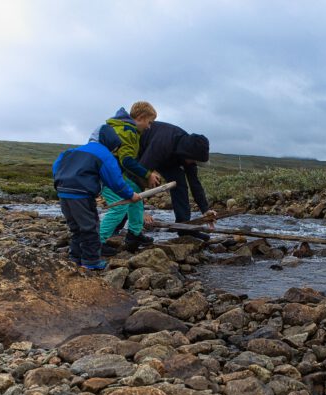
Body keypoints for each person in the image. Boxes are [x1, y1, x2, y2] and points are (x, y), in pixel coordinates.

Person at [52, 124, 141, 269]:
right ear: (110, 142)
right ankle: (91, 261)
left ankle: (75, 258)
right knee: (90, 227)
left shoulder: (72, 151)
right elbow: (115, 180)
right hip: (81, 195)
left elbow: (56, 166)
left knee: (76, 228)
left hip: (63, 192)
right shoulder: (103, 154)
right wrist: (130, 194)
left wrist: (60, 183)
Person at [97, 101, 161, 253]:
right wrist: (148, 174)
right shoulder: (128, 131)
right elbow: (126, 160)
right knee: (119, 207)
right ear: (140, 117)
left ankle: (134, 234)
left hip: (112, 173)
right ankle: (97, 243)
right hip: (105, 175)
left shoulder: (123, 128)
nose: (149, 127)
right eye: (149, 122)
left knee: (135, 194)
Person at [138, 121, 215, 240]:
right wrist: (141, 211)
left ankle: (184, 227)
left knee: (179, 184)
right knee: (134, 182)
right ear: (188, 154)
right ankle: (122, 231)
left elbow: (195, 184)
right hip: (142, 150)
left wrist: (205, 210)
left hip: (169, 158)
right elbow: (137, 176)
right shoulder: (163, 143)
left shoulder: (190, 152)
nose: (194, 163)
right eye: (194, 160)